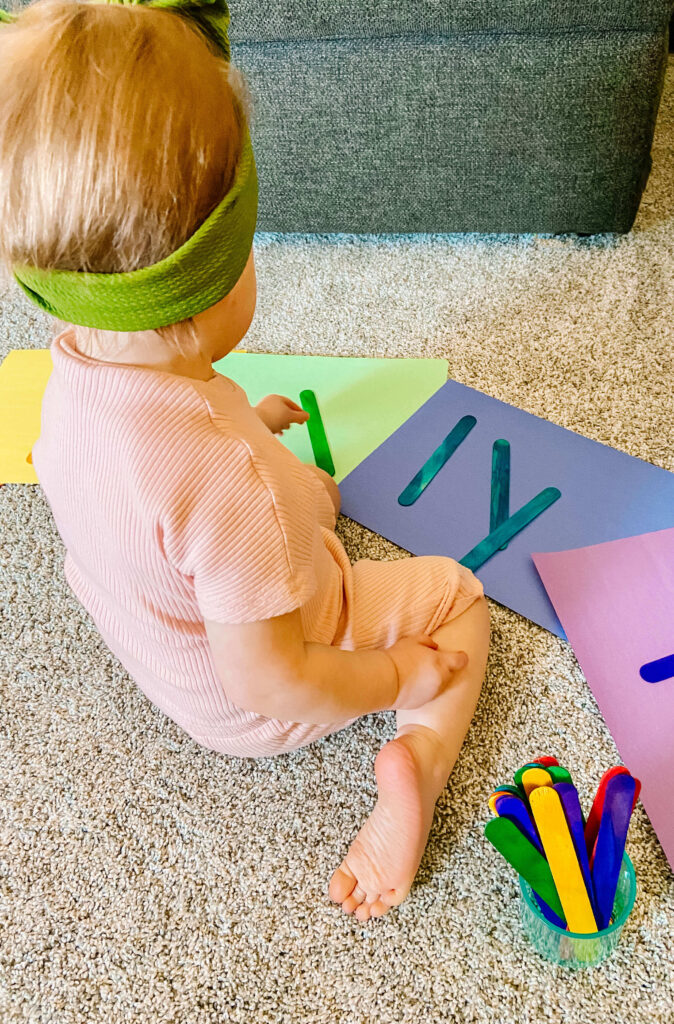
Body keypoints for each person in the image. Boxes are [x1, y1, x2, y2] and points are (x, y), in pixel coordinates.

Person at [0, 0, 490, 921]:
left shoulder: (71, 373)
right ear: (206, 289)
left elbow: (153, 481)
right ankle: (416, 770)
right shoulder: (228, 481)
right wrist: (399, 677)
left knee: (296, 492)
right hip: (250, 700)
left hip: (153, 635)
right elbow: (276, 676)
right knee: (457, 603)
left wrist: (251, 434)